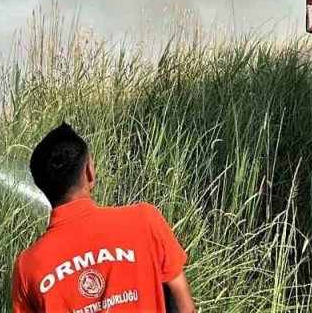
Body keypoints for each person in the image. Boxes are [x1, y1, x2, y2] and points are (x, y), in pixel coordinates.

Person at [12, 123, 195, 313]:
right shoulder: (144, 220)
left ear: (40, 186)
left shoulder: (28, 267)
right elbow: (185, 306)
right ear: (89, 171)